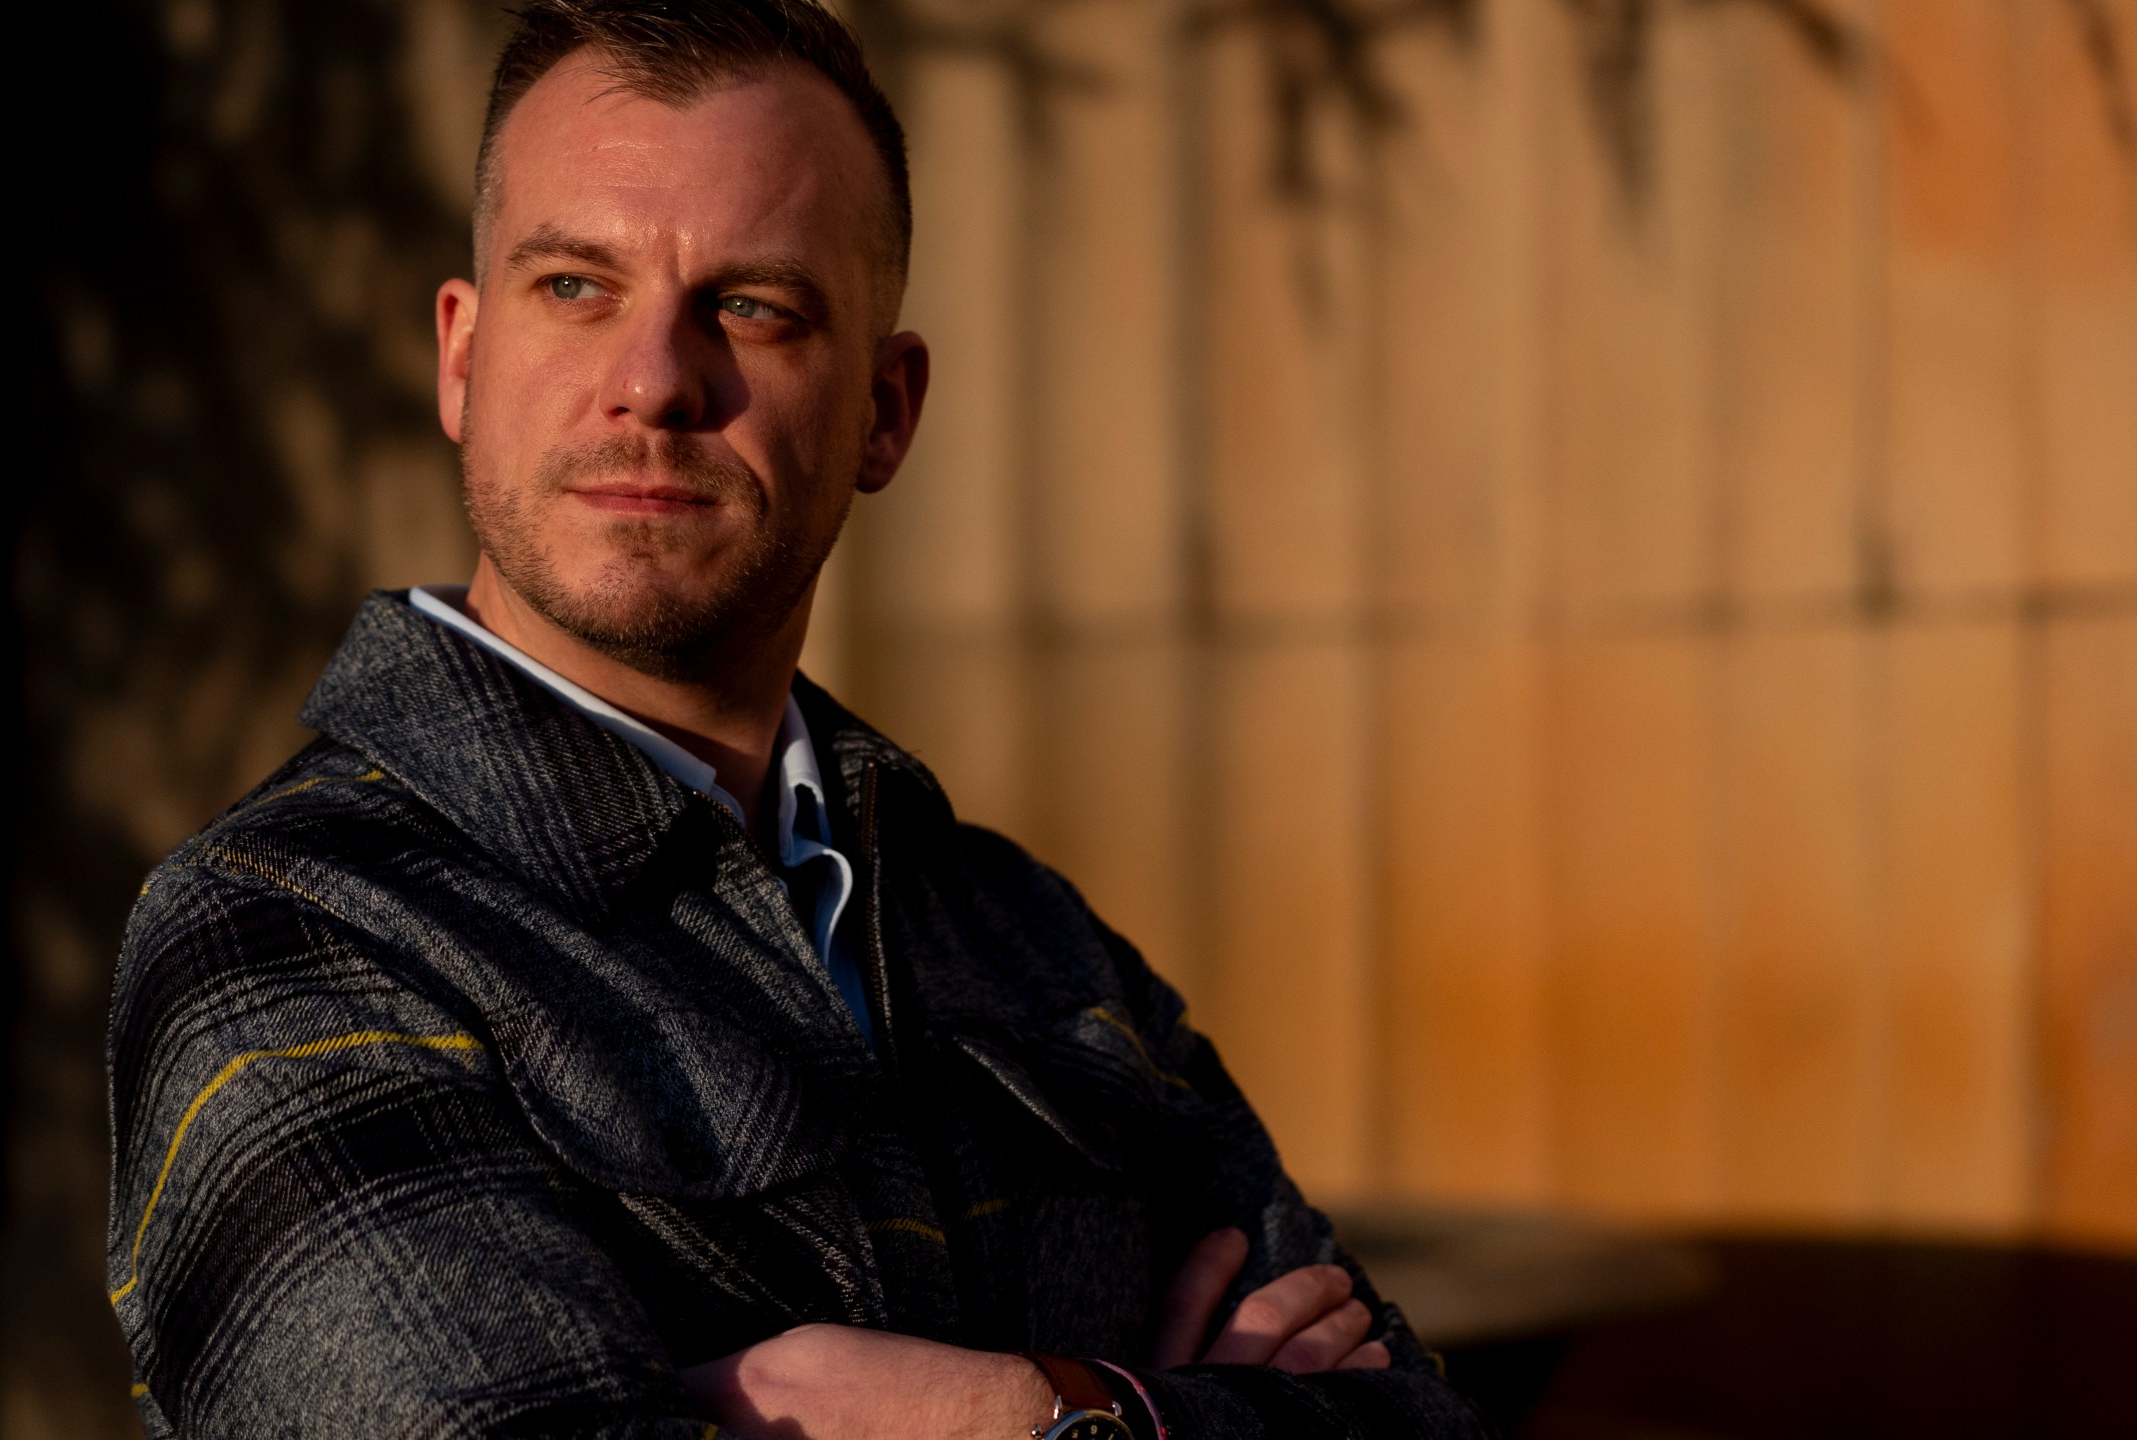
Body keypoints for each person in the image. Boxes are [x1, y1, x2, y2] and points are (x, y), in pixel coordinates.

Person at [104, 2, 1486, 1435]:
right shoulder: (294, 929)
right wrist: (1138, 1411)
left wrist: (1032, 1410)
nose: (654, 382)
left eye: (754, 307)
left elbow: (1432, 1425)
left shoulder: (1022, 934)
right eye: (575, 286)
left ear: (885, 410)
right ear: (462, 358)